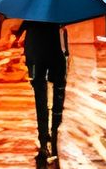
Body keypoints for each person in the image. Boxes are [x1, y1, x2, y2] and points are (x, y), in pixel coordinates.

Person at [19, 20, 69, 158]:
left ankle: (44, 140)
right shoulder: (58, 6)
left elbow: (23, 24)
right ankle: (54, 136)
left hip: (35, 53)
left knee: (40, 96)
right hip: (54, 51)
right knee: (57, 93)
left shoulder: (31, 6)